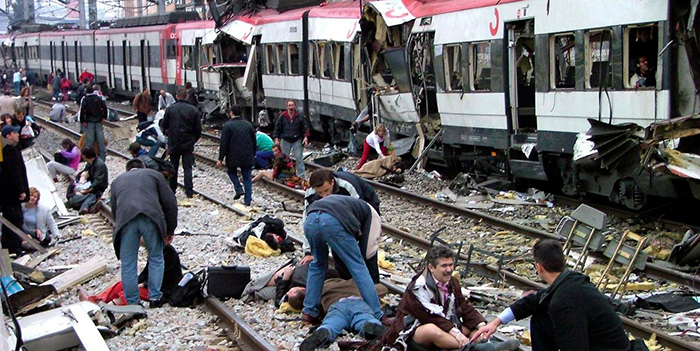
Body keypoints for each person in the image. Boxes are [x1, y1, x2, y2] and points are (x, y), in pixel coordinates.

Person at [471, 240, 631, 351]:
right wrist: (496, 322)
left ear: (539, 267)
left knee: (544, 319)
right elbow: (535, 301)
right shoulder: (572, 281)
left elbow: (575, 348)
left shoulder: (563, 303)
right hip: (609, 343)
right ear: (563, 260)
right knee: (540, 319)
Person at [377, 246, 518, 351]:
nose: (449, 269)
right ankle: (475, 348)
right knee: (431, 329)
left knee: (471, 328)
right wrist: (457, 334)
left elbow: (464, 306)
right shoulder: (419, 286)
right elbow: (431, 317)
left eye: (451, 265)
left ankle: (483, 344)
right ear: (431, 267)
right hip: (414, 331)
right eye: (444, 266)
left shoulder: (451, 282)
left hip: (445, 325)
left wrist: (482, 326)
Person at [303, 195, 384, 325]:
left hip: (311, 220)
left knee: (317, 265)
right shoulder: (373, 215)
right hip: (332, 221)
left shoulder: (349, 204)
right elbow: (369, 250)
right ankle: (378, 313)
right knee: (358, 267)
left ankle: (308, 312)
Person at [110, 158, 178, 307]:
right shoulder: (154, 175)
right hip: (150, 218)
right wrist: (170, 229)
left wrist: (120, 225)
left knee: (128, 264)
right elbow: (170, 202)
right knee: (156, 257)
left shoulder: (117, 181)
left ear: (127, 170)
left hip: (126, 221)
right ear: (143, 167)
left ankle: (133, 303)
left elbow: (114, 209)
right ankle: (155, 298)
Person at [301, 169, 382, 278]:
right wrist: (309, 252)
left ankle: (374, 284)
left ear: (332, 183)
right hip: (337, 213)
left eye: (326, 190)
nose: (324, 196)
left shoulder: (347, 186)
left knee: (367, 252)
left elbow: (360, 213)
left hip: (366, 210)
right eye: (319, 193)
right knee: (338, 245)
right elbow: (308, 222)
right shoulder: (310, 194)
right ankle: (347, 282)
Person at [300, 278, 389, 351]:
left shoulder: (319, 289)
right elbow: (382, 289)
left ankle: (325, 331)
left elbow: (315, 308)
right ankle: (371, 325)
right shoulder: (353, 282)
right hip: (357, 302)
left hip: (337, 305)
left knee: (331, 323)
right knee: (364, 318)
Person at [80, 243, 182, 305]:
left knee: (132, 292)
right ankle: (94, 300)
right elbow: (146, 273)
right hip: (151, 286)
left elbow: (164, 277)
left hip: (163, 290)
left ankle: (111, 306)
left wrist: (143, 284)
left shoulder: (168, 252)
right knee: (121, 285)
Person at [162, 88, 201, 198]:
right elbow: (198, 129)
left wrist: (169, 135)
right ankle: (189, 192)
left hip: (174, 142)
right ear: (187, 96)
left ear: (176, 96)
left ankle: (172, 190)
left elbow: (164, 126)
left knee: (173, 168)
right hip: (188, 143)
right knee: (187, 168)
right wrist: (193, 140)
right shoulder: (193, 110)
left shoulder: (170, 109)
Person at [241, 261, 339, 305]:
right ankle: (250, 291)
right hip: (290, 274)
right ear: (302, 288)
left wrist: (285, 278)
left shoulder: (307, 292)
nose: (289, 293)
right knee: (259, 286)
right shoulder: (328, 276)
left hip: (285, 280)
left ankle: (250, 292)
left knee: (258, 291)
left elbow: (279, 301)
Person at [216, 109, 256, 206]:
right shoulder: (248, 124)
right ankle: (247, 201)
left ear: (231, 113)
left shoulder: (228, 125)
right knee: (247, 178)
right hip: (247, 155)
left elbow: (224, 143)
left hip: (233, 155)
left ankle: (238, 188)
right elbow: (254, 141)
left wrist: (220, 158)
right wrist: (253, 153)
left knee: (231, 172)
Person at [1, 125, 29, 254]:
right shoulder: (11, 151)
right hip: (12, 193)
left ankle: (8, 247)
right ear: (8, 136)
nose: (18, 135)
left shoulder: (4, 150)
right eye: (15, 133)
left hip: (5, 193)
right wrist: (21, 190)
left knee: (9, 219)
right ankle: (14, 247)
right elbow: (15, 173)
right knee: (15, 219)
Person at [273, 99, 309, 178]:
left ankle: (301, 176)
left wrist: (305, 137)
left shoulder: (299, 116)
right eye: (289, 105)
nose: (291, 107)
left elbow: (304, 128)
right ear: (286, 107)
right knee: (283, 159)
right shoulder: (282, 116)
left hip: (297, 139)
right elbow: (277, 128)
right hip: (285, 140)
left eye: (292, 105)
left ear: (294, 106)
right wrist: (276, 139)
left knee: (299, 158)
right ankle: (283, 175)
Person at [67, 147, 108, 215]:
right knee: (72, 186)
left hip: (96, 189)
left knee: (92, 196)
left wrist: (88, 190)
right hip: (88, 185)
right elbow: (84, 172)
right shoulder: (89, 163)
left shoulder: (100, 165)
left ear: (85, 156)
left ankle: (83, 206)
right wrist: (79, 179)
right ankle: (73, 200)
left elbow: (98, 182)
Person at [79, 86, 108, 160]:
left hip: (89, 122)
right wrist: (104, 117)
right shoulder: (98, 98)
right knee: (100, 140)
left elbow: (82, 111)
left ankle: (90, 157)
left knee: (90, 141)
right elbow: (104, 107)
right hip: (98, 121)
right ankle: (102, 157)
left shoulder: (85, 99)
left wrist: (83, 121)